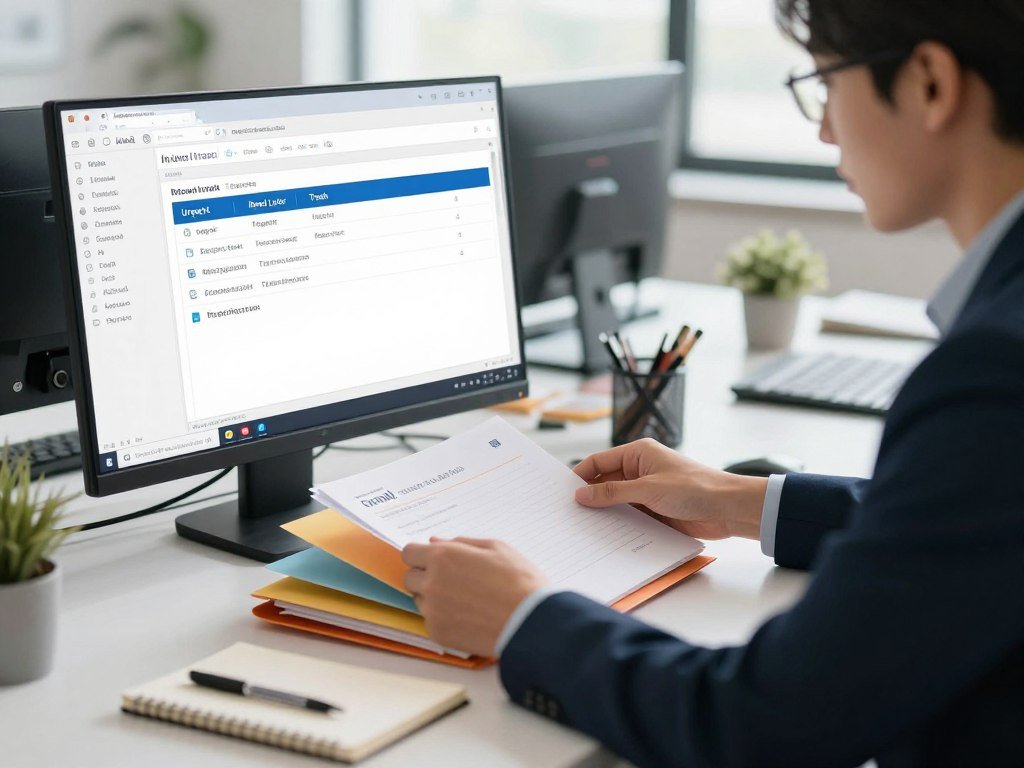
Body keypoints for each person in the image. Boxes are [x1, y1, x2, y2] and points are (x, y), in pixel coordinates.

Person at [401, 1, 1024, 764]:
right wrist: (740, 500)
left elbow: (763, 722)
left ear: (930, 83)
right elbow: (977, 520)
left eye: (826, 85)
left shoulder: (994, 369)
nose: (825, 131)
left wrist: (523, 617)